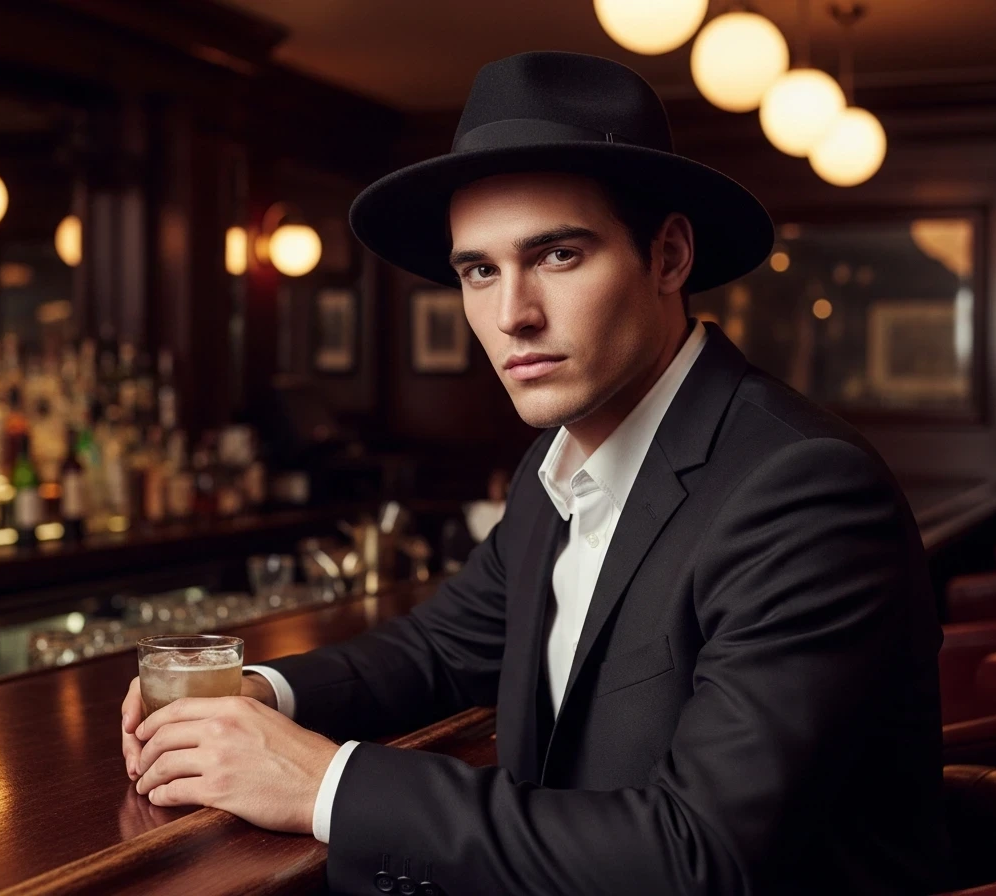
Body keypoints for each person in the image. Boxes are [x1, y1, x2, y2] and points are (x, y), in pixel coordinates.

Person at [121, 51, 949, 894]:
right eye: (479, 270)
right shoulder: (558, 464)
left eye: (556, 255)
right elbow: (444, 648)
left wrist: (323, 784)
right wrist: (259, 695)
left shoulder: (801, 489)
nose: (511, 314)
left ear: (667, 257)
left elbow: (699, 856)